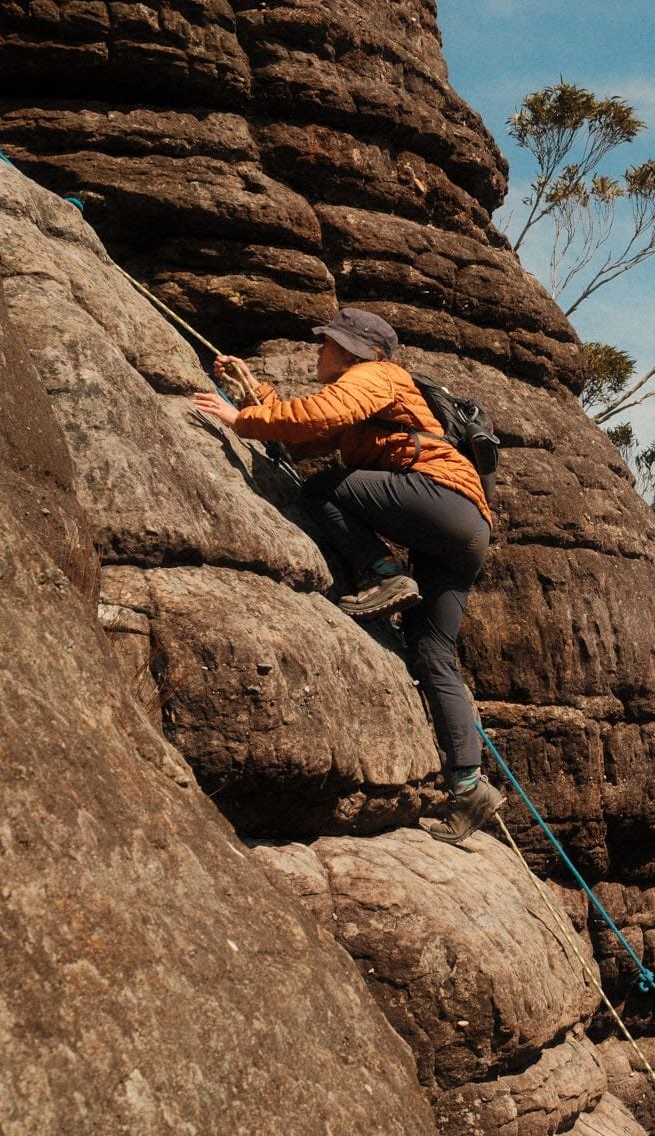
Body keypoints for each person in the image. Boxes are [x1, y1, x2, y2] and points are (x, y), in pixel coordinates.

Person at [190, 307, 502, 844]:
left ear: (357, 351)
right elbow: (306, 435)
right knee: (433, 654)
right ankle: (470, 787)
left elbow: (316, 416)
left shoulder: (376, 375)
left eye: (326, 343)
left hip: (441, 498)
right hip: (467, 526)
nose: (319, 351)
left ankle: (383, 572)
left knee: (325, 489)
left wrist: (237, 419)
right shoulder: (365, 396)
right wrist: (253, 393)